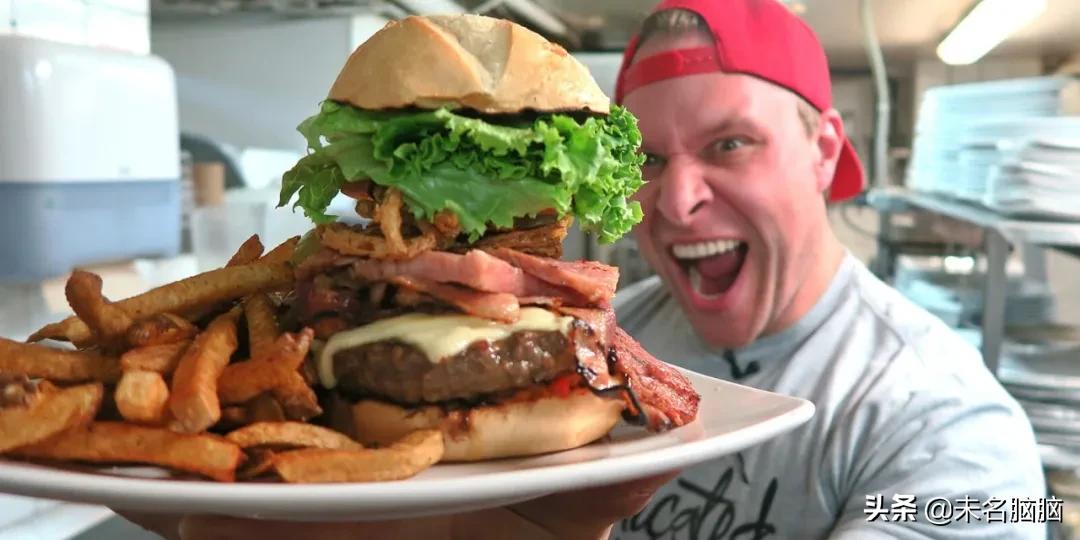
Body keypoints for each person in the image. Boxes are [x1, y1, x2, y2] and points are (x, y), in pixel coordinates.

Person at [122, 1, 1047, 538]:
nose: (676, 202)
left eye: (730, 144)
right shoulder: (622, 332)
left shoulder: (943, 424)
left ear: (822, 150)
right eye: (644, 161)